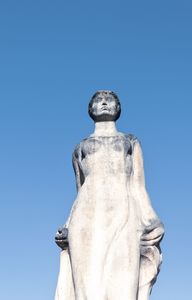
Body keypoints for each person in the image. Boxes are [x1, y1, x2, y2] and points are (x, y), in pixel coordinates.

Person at [54, 91, 164, 300]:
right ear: (90, 109)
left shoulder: (130, 142)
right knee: (88, 288)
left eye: (110, 99)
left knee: (123, 286)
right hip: (87, 219)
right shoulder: (80, 148)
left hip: (125, 214)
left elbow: (138, 185)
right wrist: (68, 225)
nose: (104, 102)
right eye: (98, 99)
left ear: (118, 108)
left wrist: (151, 217)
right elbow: (80, 190)